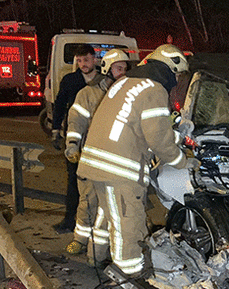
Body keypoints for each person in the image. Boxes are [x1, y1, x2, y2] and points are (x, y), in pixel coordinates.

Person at [77, 44, 190, 277]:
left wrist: (176, 135)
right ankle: (129, 275)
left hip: (95, 162)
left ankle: (96, 257)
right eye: (177, 75)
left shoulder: (125, 83)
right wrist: (183, 161)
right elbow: (158, 139)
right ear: (169, 69)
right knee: (128, 224)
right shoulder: (154, 89)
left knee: (106, 214)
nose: (177, 80)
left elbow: (136, 125)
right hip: (119, 169)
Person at [63, 49, 132, 266]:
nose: (123, 73)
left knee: (115, 206)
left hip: (115, 161)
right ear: (108, 69)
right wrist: (72, 145)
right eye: (119, 68)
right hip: (91, 158)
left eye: (125, 69)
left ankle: (107, 245)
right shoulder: (88, 94)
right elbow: (76, 123)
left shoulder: (128, 95)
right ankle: (80, 239)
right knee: (88, 201)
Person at [51, 44, 105, 234]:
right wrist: (56, 130)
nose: (83, 64)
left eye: (87, 60)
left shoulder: (105, 82)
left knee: (97, 182)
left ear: (95, 59)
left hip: (98, 140)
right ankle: (69, 219)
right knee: (73, 180)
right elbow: (59, 105)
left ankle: (97, 221)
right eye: (80, 61)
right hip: (76, 139)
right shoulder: (70, 80)